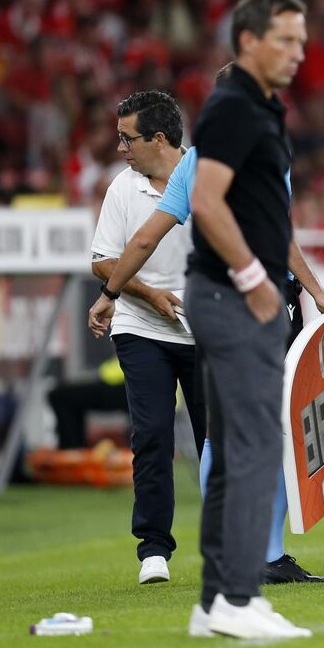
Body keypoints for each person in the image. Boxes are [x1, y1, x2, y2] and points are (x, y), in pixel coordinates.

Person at [87, 67, 324, 586]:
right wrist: (120, 292)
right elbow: (267, 232)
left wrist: (109, 293)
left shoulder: (203, 161)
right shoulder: (263, 152)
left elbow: (148, 239)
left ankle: (245, 551)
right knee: (225, 433)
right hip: (227, 311)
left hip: (210, 314)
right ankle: (218, 551)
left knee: (227, 434)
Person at [184, 0, 311, 639]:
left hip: (229, 295)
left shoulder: (259, 105)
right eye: (285, 40)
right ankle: (237, 597)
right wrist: (254, 276)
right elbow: (206, 201)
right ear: (247, 42)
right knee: (256, 445)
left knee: (237, 452)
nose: (298, 52)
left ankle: (216, 603)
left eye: (301, 41)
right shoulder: (233, 107)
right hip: (232, 298)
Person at [89, 90, 205, 585]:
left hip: (205, 327)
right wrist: (148, 293)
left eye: (127, 138)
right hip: (141, 324)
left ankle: (234, 543)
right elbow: (103, 260)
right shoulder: (123, 188)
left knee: (215, 441)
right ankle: (153, 549)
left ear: (159, 139)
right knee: (152, 434)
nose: (120, 148)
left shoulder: (208, 173)